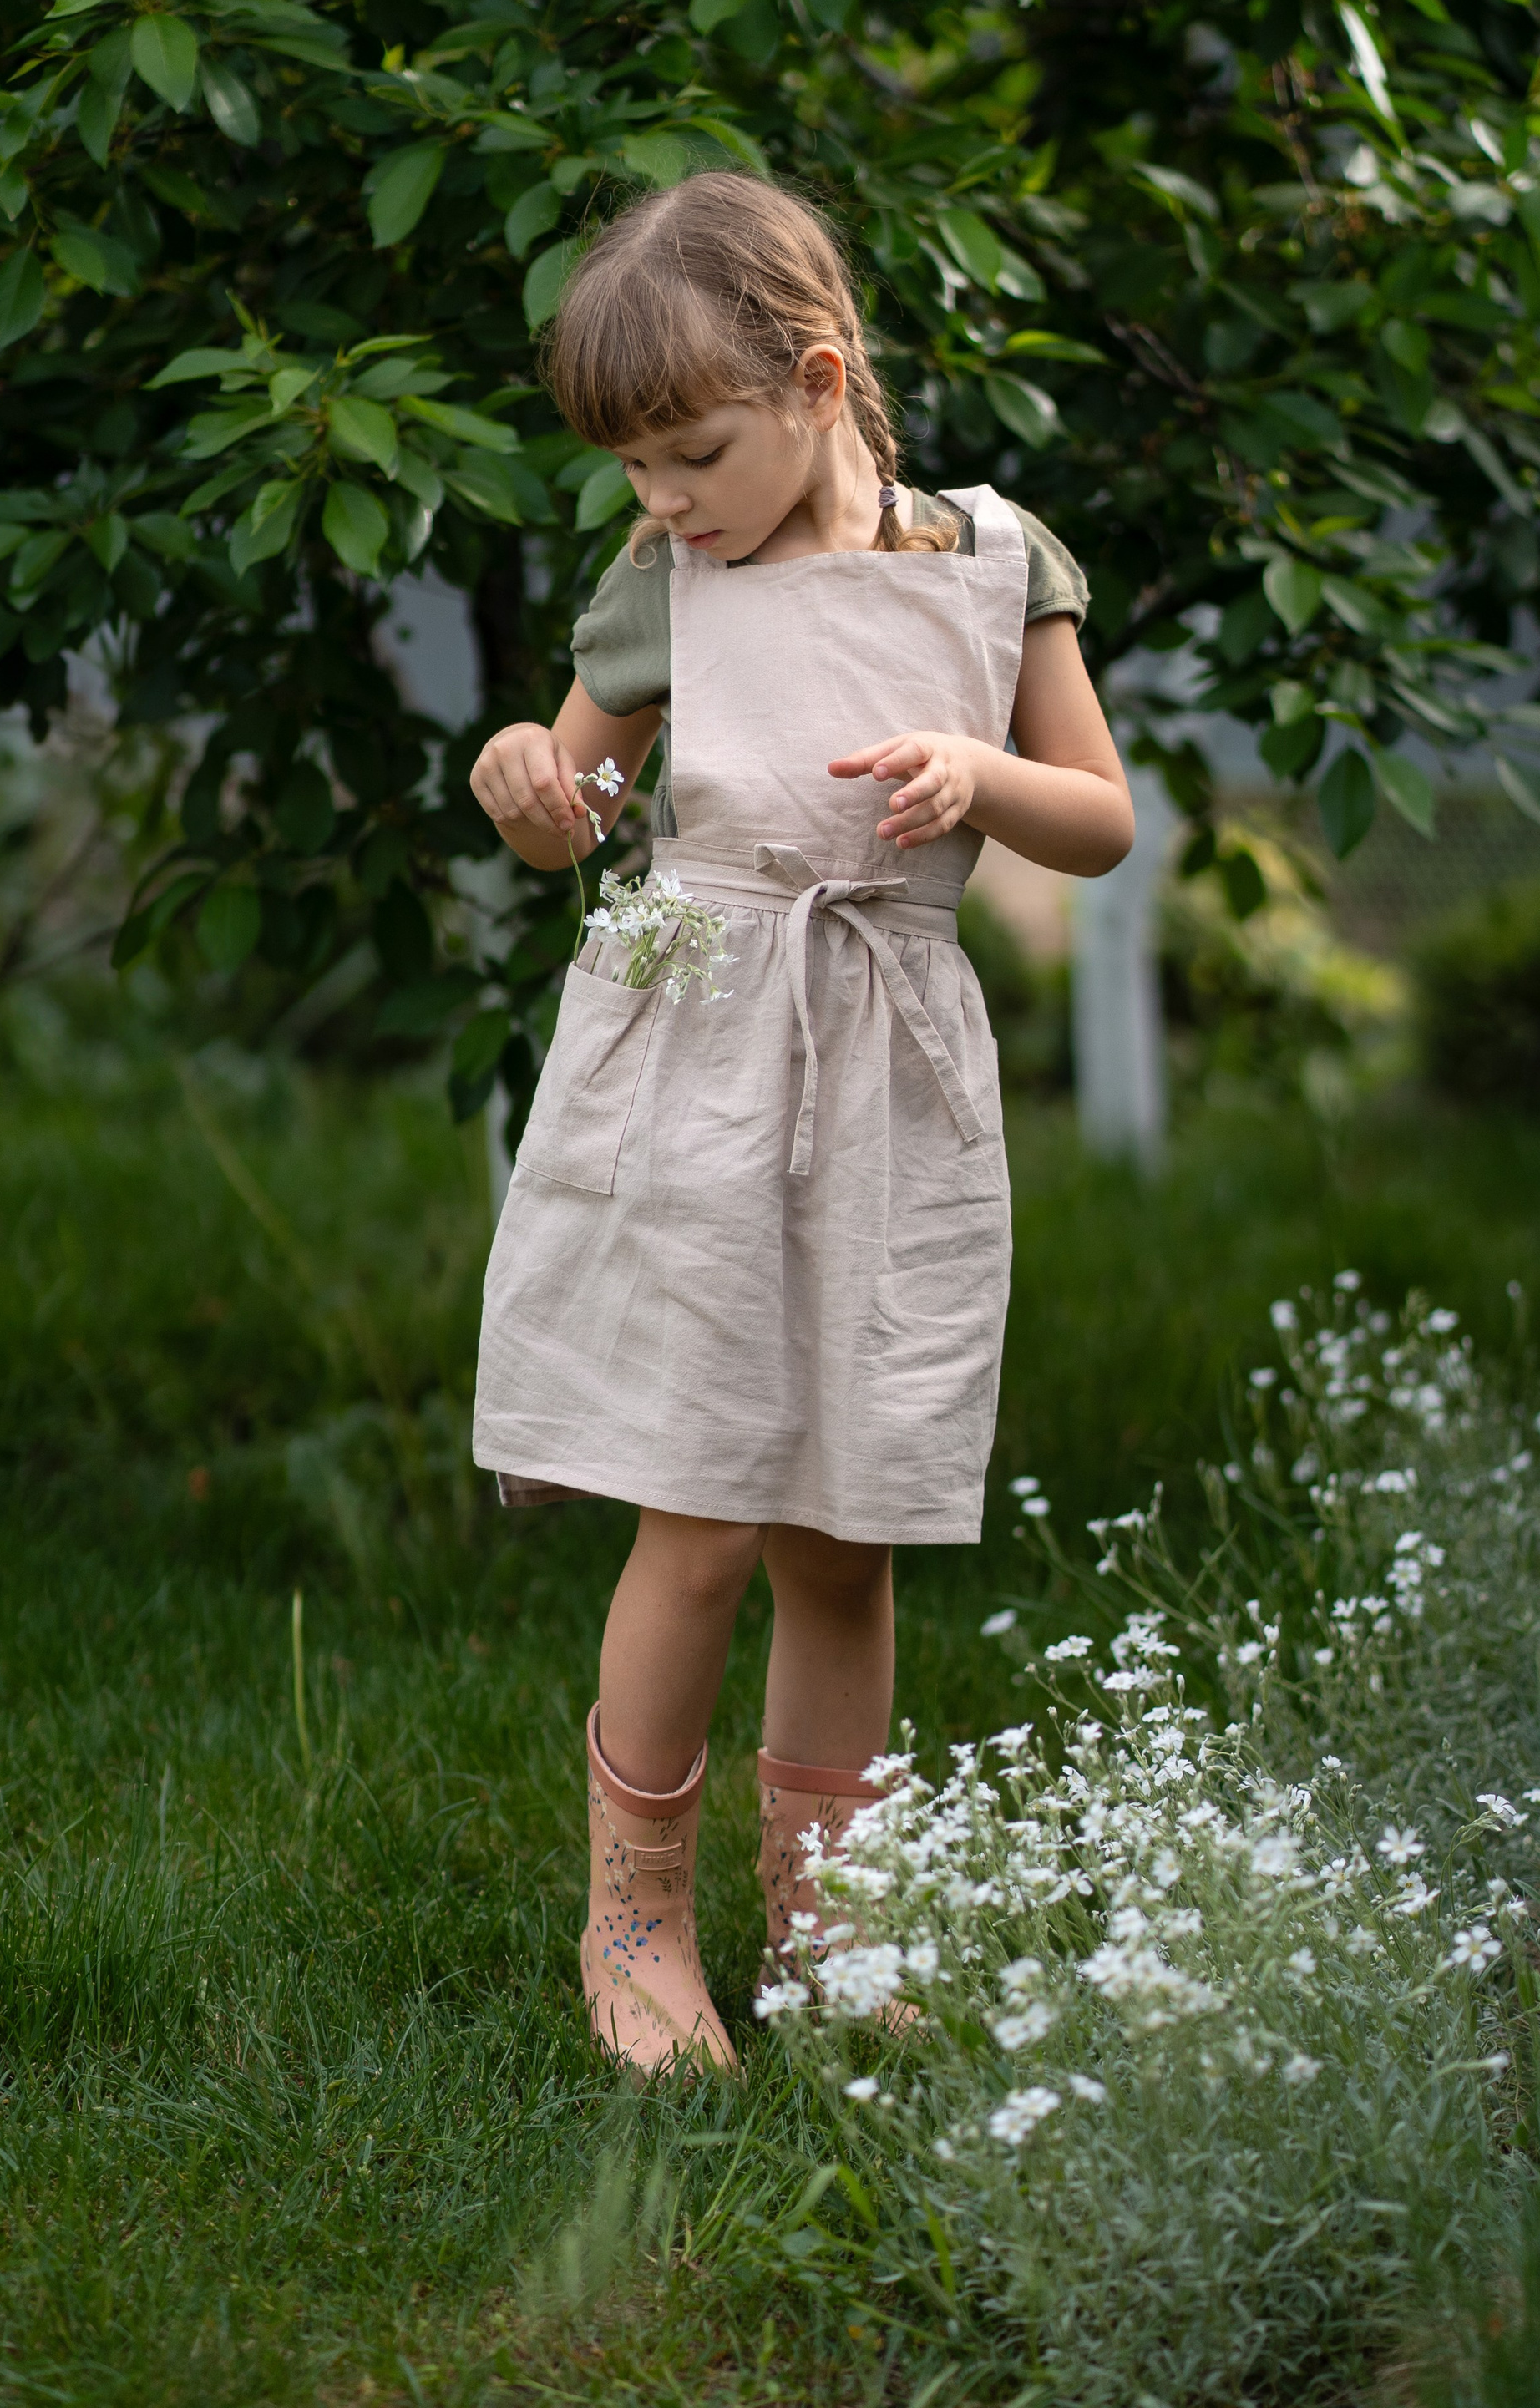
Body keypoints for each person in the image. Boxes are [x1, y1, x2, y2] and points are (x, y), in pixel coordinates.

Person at [468, 170, 1133, 2076]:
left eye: (691, 454)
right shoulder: (663, 584)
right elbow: (567, 795)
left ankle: (833, 1926)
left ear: (819, 377)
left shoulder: (993, 561)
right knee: (700, 1506)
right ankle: (637, 1925)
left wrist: (982, 769)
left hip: (891, 1074)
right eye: (634, 470)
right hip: (703, 1061)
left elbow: (1095, 816)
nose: (661, 500)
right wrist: (526, 779)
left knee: (850, 1524)